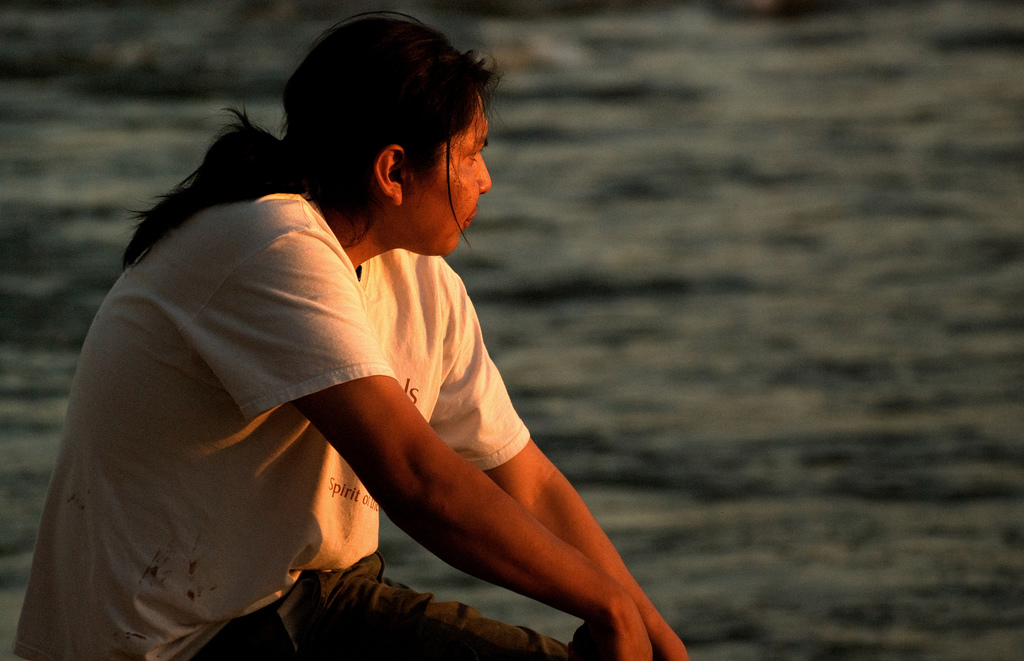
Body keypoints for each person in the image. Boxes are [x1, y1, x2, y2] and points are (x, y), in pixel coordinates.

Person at [14, 13, 689, 661]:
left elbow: (527, 479)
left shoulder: (425, 284)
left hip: (315, 602)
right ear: (393, 171)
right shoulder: (265, 241)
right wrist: (605, 607)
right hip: (188, 637)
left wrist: (645, 621)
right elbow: (416, 478)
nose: (487, 179)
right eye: (475, 152)